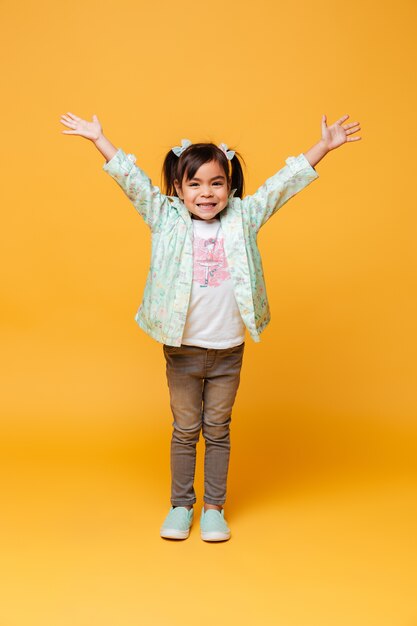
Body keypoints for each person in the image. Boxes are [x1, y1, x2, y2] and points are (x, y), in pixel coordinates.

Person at [60, 112, 361, 541]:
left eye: (216, 183)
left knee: (218, 430)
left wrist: (323, 148)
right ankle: (181, 505)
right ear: (179, 190)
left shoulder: (244, 217)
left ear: (231, 187)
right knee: (185, 430)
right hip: (181, 350)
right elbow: (132, 180)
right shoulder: (165, 219)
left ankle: (214, 508)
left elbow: (283, 183)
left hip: (228, 350)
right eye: (195, 185)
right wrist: (99, 139)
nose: (207, 193)